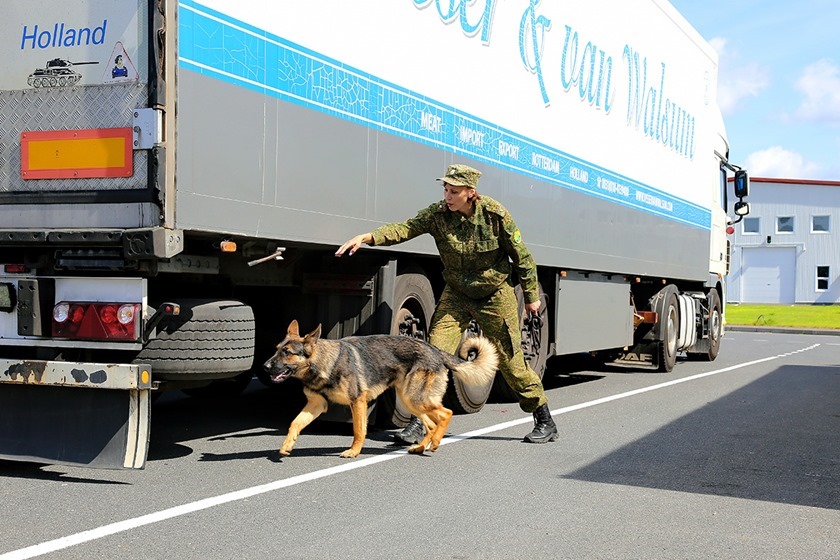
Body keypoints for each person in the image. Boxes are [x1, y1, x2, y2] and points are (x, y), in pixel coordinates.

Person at [336, 163, 558, 444]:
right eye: (445, 189)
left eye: (454, 191)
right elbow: (405, 229)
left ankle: (544, 419)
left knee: (511, 361)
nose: (448, 196)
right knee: (431, 355)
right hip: (457, 293)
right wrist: (367, 238)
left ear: (470, 192)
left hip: (493, 294)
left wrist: (531, 297)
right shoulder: (438, 215)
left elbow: (522, 256)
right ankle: (421, 421)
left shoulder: (495, 215)